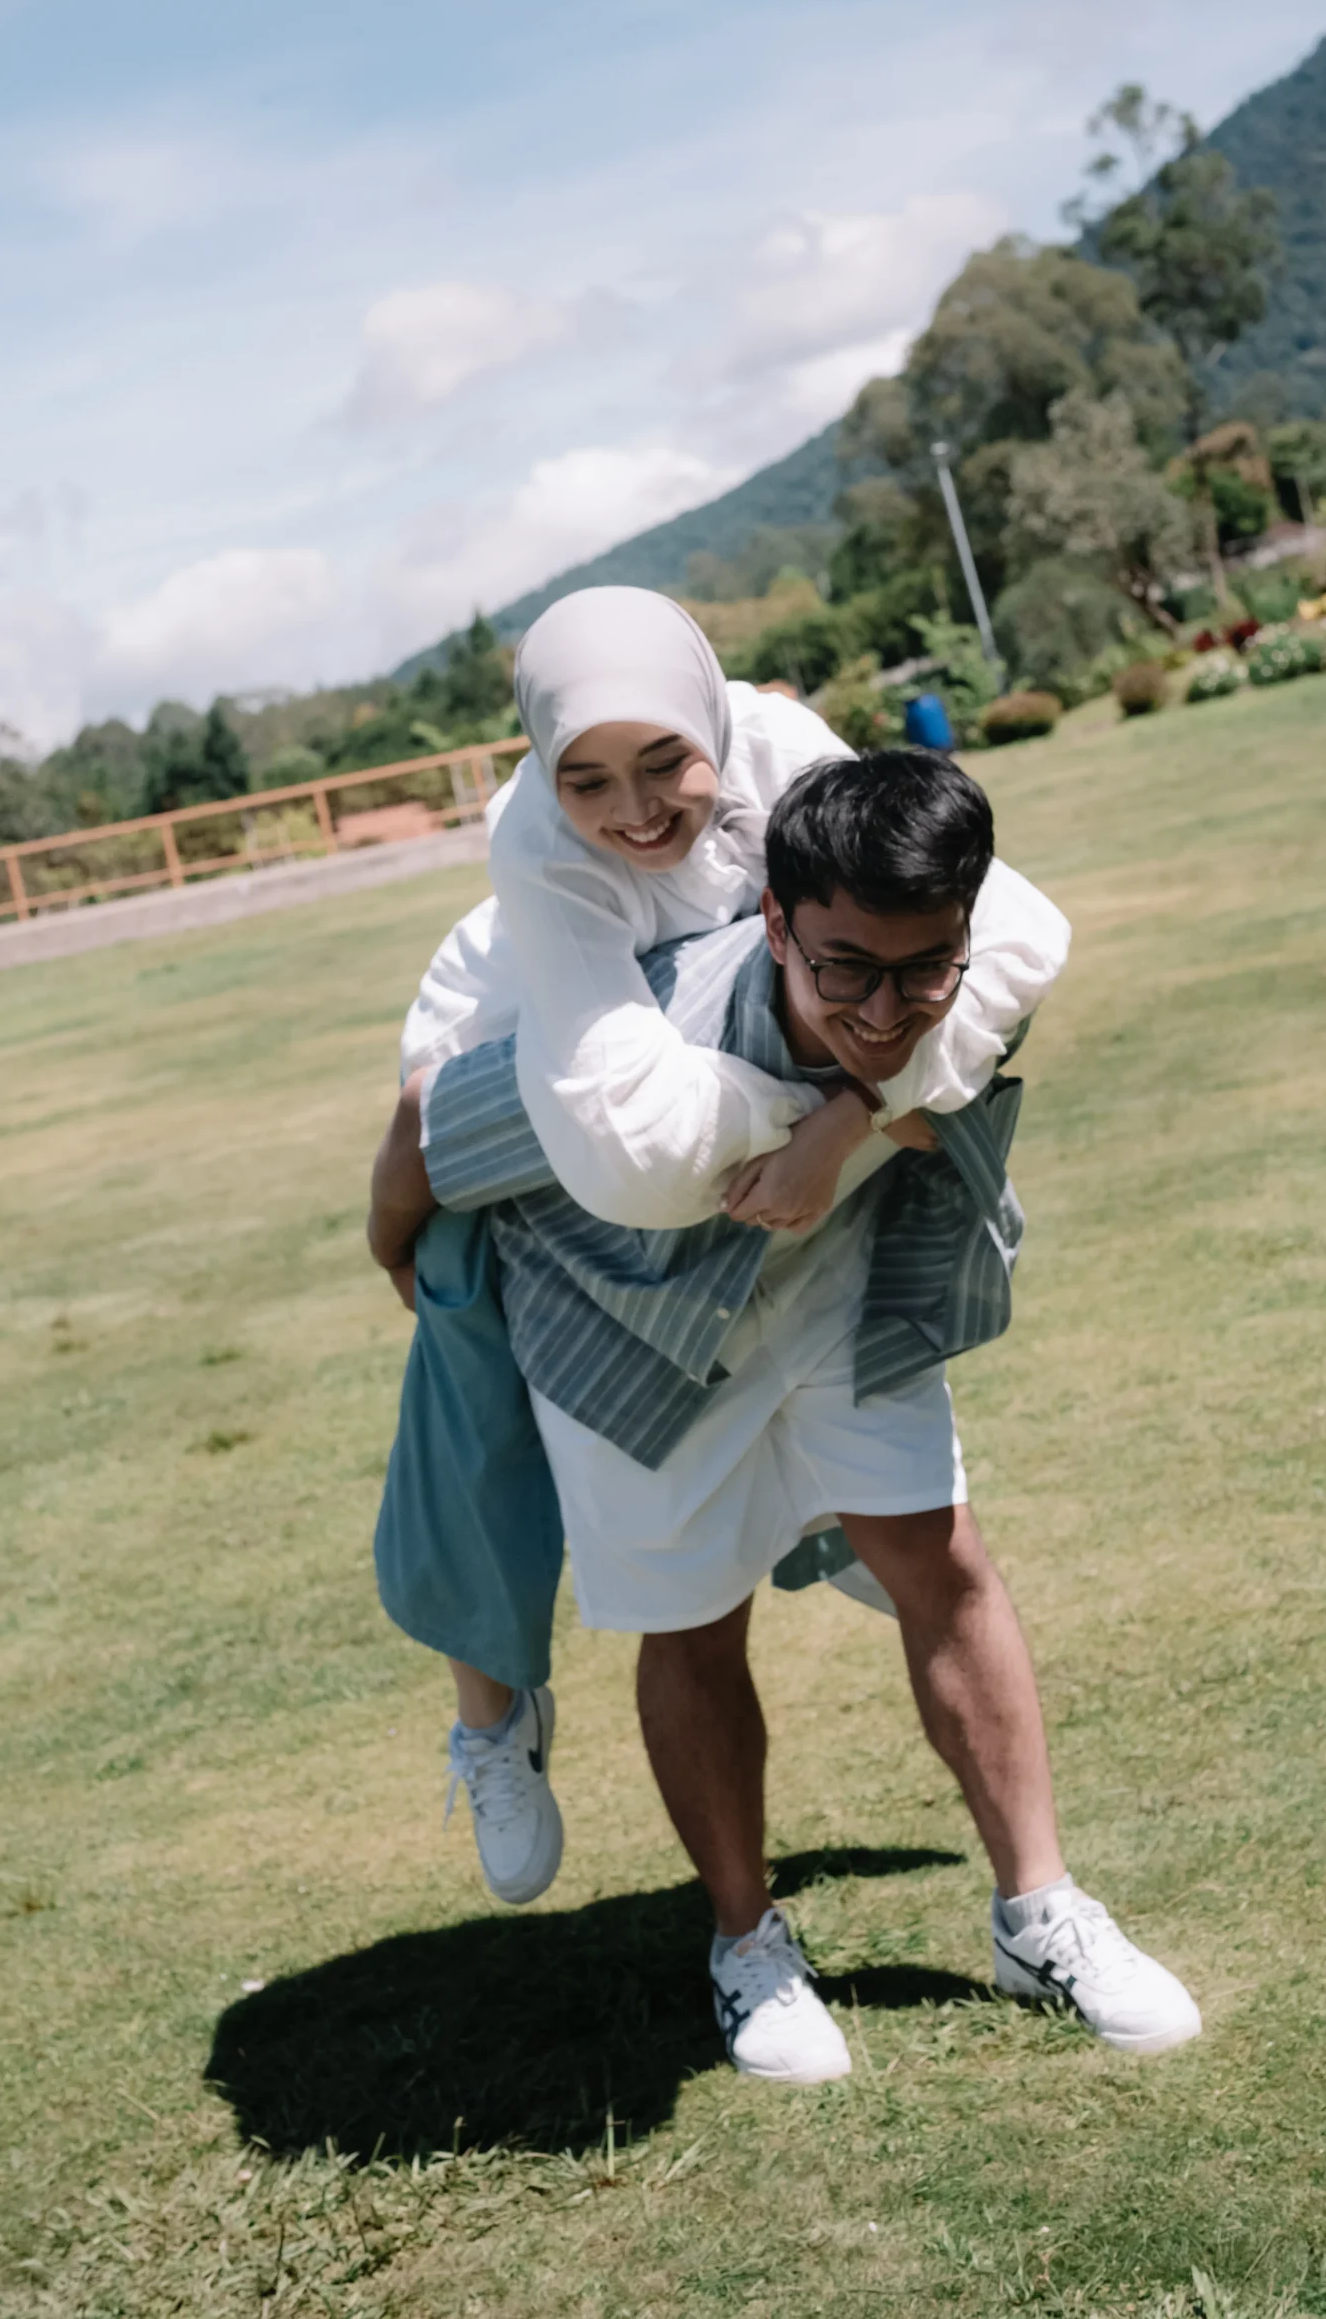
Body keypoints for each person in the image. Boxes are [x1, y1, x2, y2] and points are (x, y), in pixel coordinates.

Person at [370, 750, 1201, 2084]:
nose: (884, 1009)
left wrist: (852, 1110)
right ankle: (746, 1942)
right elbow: (429, 1124)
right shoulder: (633, 1041)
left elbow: (949, 1008)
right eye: (844, 970)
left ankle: (1038, 1913)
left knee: (942, 1562)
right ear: (771, 922)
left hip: (833, 1304)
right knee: (693, 1620)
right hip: (616, 1330)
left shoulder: (967, 988)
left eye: (922, 971)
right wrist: (389, 1248)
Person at [376, 590, 1070, 1908]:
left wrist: (848, 1121)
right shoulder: (538, 846)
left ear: (710, 719)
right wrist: (389, 1231)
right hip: (501, 1062)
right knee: (466, 1398)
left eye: (664, 764)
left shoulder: (776, 745)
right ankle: (493, 1715)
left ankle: (833, 1519)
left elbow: (1006, 931)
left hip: (715, 1031)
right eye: (587, 777)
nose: (636, 812)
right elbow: (617, 1154)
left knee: (809, 1353)